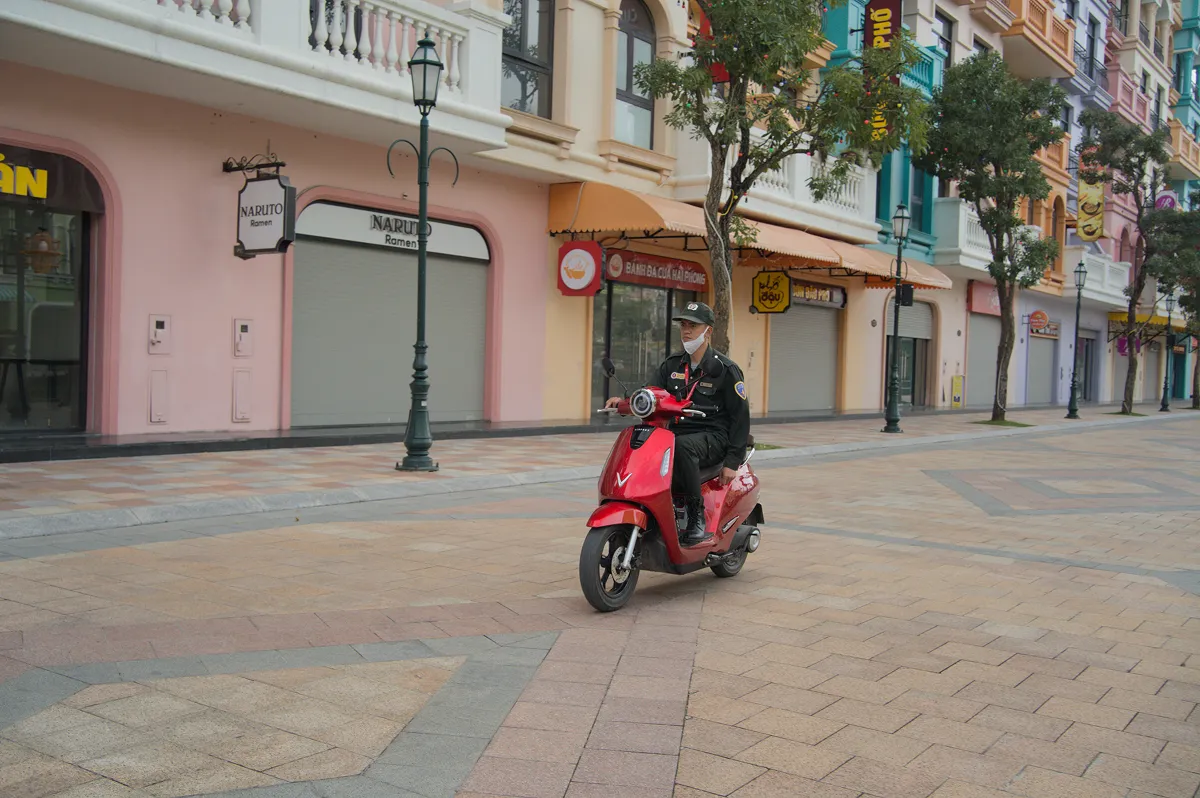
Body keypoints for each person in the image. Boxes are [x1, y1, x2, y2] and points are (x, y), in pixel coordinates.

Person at [606, 301, 750, 547]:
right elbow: (651, 393)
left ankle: (695, 519)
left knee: (681, 447)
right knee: (644, 445)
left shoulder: (725, 369)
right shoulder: (672, 365)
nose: (686, 331)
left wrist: (732, 461)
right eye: (683, 325)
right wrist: (625, 403)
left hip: (712, 435)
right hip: (674, 433)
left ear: (708, 331)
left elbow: (740, 417)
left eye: (693, 326)